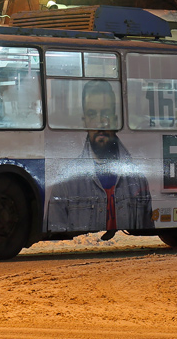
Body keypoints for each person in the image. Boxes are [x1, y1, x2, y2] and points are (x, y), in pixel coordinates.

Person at [46, 80, 153, 238]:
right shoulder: (65, 182)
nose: (100, 122)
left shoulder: (138, 179)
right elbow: (55, 232)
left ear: (117, 120)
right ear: (85, 122)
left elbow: (147, 229)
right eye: (92, 114)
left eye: (106, 114)